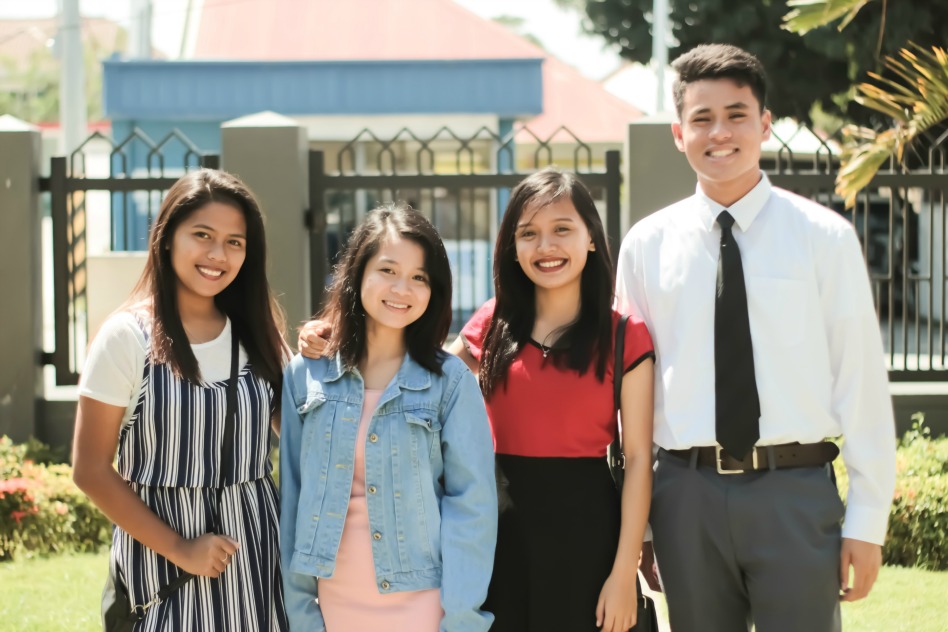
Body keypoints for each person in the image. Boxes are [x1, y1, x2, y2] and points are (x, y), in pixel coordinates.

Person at [617, 43, 897, 632]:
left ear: (765, 124)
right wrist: (638, 525)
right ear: (678, 134)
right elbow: (630, 395)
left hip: (794, 492)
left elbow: (861, 382)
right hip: (685, 497)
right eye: (701, 118)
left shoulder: (824, 238)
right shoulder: (646, 245)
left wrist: (868, 521)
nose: (719, 132)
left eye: (736, 115)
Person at [300, 170, 655, 632]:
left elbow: (639, 459)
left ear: (591, 237)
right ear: (512, 246)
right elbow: (415, 373)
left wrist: (624, 573)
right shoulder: (492, 324)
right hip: (495, 536)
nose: (545, 246)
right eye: (528, 233)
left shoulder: (626, 336)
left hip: (589, 537)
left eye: (562, 229)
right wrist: (335, 334)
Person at [72, 169, 289, 630]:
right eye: (202, 235)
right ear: (167, 236)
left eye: (234, 242)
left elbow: (300, 435)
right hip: (163, 570)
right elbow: (89, 469)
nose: (218, 254)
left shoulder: (256, 332)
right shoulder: (126, 338)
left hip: (257, 561)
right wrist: (180, 548)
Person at [280, 204, 497, 632]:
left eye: (419, 277)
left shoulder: (450, 383)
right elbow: (293, 499)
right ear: (357, 273)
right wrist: (302, 614)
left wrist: (461, 620)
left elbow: (472, 508)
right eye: (388, 270)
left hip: (425, 606)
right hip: (332, 604)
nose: (402, 289)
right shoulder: (305, 375)